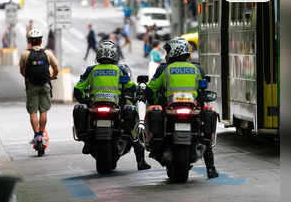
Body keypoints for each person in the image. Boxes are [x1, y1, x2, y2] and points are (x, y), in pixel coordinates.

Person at [145, 37, 219, 178]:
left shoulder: (164, 69)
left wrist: (151, 98)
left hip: (171, 109)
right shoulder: (197, 69)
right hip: (192, 109)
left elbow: (151, 89)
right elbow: (203, 90)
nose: (166, 55)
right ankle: (211, 168)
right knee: (204, 136)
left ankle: (155, 147)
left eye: (168, 52)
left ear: (173, 52)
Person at [73, 40, 151, 170]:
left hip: (95, 107)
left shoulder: (91, 70)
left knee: (81, 109)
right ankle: (140, 161)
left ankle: (86, 140)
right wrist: (139, 92)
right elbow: (131, 87)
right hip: (114, 108)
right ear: (114, 55)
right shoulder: (119, 70)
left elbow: (78, 89)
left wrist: (85, 100)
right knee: (133, 131)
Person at [19, 29, 59, 145]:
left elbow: (22, 71)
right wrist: (51, 77)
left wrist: (29, 78)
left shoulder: (25, 54)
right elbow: (56, 69)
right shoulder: (48, 53)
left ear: (30, 42)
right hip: (45, 84)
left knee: (32, 112)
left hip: (31, 86)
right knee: (43, 110)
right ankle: (42, 134)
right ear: (41, 41)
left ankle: (36, 135)